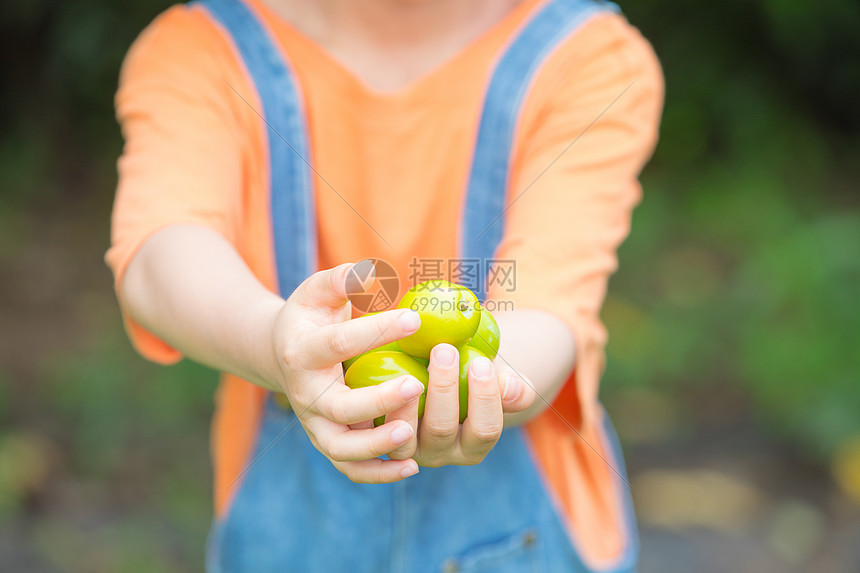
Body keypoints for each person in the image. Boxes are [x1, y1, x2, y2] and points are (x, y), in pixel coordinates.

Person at [107, 0, 663, 570]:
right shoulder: (202, 50)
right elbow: (161, 253)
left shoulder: (585, 58)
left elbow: (552, 303)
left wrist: (484, 385)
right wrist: (274, 338)